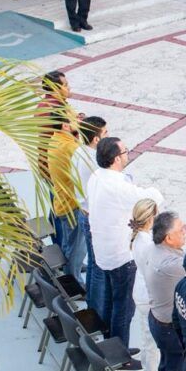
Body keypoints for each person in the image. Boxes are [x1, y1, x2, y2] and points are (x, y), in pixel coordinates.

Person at [87, 136, 164, 366]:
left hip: (103, 249)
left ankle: (111, 344)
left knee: (111, 300)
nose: (127, 154)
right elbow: (148, 200)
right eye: (125, 151)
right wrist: (151, 189)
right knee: (123, 307)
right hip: (120, 254)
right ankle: (119, 356)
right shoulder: (117, 185)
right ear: (115, 159)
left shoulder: (96, 177)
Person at [146, 211, 186, 371]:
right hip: (170, 329)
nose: (185, 232)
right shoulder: (173, 264)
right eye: (180, 230)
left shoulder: (154, 250)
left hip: (157, 320)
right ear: (167, 238)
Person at [72, 116, 108, 322]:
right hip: (91, 215)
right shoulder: (93, 162)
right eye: (105, 133)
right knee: (98, 266)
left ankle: (94, 306)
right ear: (95, 139)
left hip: (83, 210)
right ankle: (96, 310)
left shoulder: (79, 151)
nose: (107, 136)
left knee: (94, 264)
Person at [47, 112, 84, 278]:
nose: (79, 119)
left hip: (62, 202)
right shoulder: (70, 148)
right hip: (72, 206)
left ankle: (72, 272)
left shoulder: (56, 139)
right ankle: (73, 282)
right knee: (75, 249)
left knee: (71, 246)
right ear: (65, 126)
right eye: (75, 118)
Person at [130, 198, 159, 371]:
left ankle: (144, 365)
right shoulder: (149, 244)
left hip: (139, 292)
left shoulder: (136, 238)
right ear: (150, 219)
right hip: (147, 296)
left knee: (145, 333)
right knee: (152, 343)